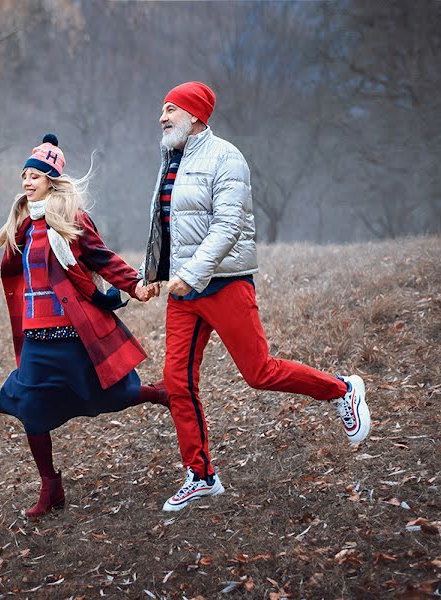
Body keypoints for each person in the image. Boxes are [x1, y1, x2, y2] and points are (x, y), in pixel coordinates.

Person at [135, 82, 372, 512]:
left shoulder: (226, 157)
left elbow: (227, 227)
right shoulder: (170, 159)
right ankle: (201, 474)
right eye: (161, 109)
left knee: (259, 372)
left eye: (170, 109)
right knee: (177, 382)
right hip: (183, 292)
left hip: (225, 283)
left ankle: (341, 390)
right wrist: (151, 275)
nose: (162, 117)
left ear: (195, 115)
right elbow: (164, 225)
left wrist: (190, 274)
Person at [0, 134, 165, 518]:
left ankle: (158, 394)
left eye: (35, 174)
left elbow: (102, 259)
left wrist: (135, 285)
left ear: (52, 179)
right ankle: (50, 487)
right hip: (37, 336)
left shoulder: (71, 219)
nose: (27, 181)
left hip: (73, 334)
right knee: (30, 408)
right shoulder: (21, 224)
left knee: (111, 395)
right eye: (24, 174)